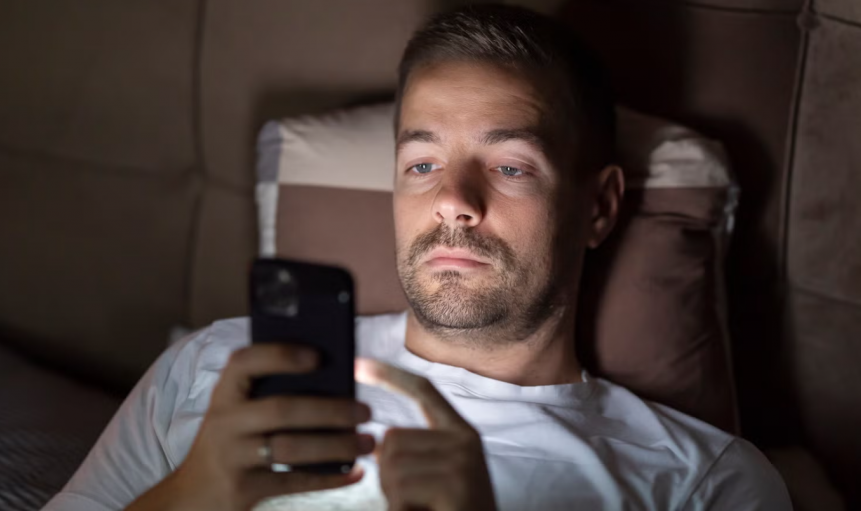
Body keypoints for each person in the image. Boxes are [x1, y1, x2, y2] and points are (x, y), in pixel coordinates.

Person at [44, 5, 791, 511]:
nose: (453, 201)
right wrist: (187, 496)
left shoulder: (701, 480)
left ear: (598, 207)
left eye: (510, 166)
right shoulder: (218, 364)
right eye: (422, 164)